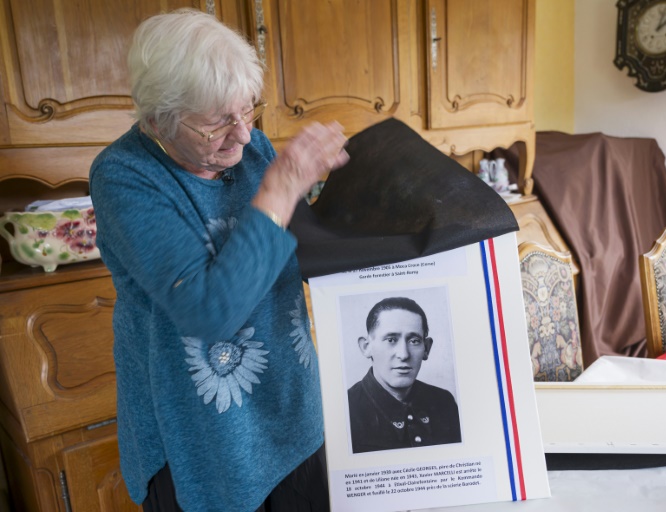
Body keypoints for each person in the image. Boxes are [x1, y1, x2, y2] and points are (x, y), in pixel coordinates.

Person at [89, 9, 348, 512]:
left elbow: (291, 242)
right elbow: (210, 312)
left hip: (291, 411)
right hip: (202, 439)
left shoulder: (251, 149)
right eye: (216, 124)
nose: (244, 136)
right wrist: (281, 187)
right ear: (156, 119)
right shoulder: (124, 176)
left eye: (247, 110)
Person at [347, 297, 462, 453]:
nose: (403, 354)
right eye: (391, 339)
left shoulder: (444, 402)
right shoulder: (347, 410)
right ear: (366, 347)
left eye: (414, 341)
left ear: (426, 348)